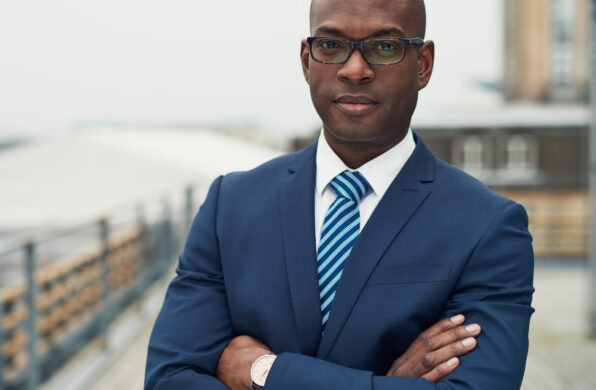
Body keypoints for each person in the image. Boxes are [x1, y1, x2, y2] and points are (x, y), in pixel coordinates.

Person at [145, 0, 534, 389]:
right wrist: (384, 383)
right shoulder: (229, 205)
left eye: (384, 47)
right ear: (306, 60)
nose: (354, 70)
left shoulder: (487, 227)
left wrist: (264, 371)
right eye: (331, 46)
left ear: (423, 64)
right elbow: (169, 379)